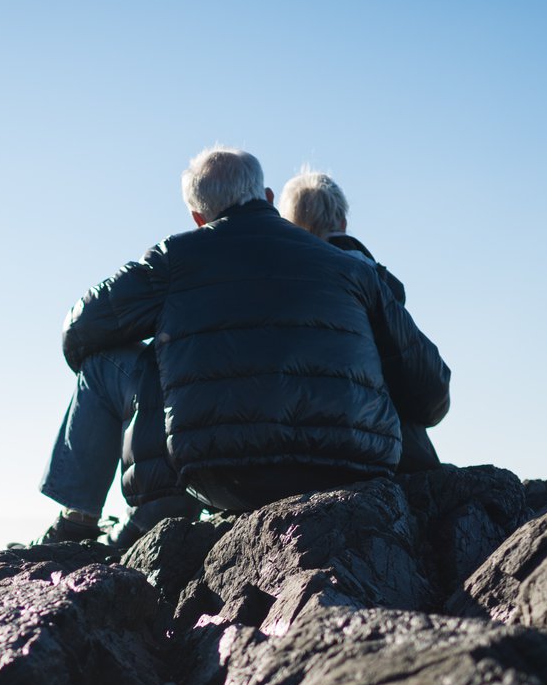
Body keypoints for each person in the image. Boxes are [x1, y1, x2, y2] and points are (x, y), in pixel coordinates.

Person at [35, 147, 449, 542]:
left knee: (111, 361)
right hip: (351, 465)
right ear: (267, 197)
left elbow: (80, 329)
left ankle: (80, 520)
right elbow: (431, 393)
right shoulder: (350, 268)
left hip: (221, 473)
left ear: (198, 217)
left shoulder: (175, 258)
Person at [276, 168, 445, 472]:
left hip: (302, 451)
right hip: (392, 449)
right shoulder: (374, 281)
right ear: (342, 221)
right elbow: (428, 386)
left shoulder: (281, 289)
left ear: (288, 225)